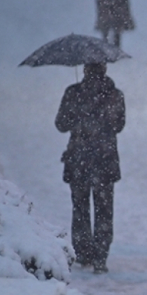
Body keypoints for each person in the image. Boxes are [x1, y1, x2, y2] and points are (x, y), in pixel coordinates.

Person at [55, 62, 125, 274]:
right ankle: (101, 256)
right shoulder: (115, 95)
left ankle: (83, 252)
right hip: (104, 160)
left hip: (79, 158)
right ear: (105, 69)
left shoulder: (73, 93)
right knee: (104, 210)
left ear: (85, 69)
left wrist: (78, 117)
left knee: (80, 208)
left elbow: (60, 124)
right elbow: (119, 125)